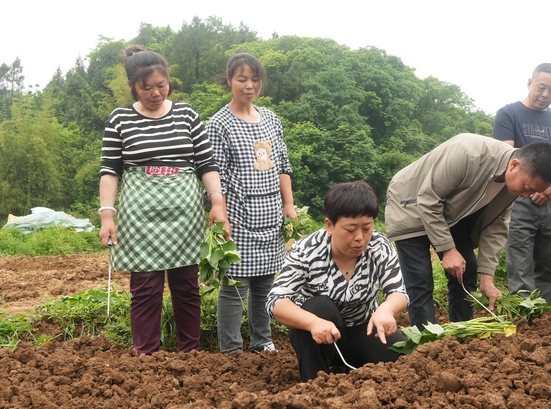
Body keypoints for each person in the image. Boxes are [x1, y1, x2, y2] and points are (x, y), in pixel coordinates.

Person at [98, 45, 230, 355]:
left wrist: (217, 203)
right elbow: (109, 171)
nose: (156, 93)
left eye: (162, 85)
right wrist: (107, 215)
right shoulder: (120, 119)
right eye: (147, 88)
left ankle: (191, 352)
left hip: (185, 211)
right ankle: (147, 355)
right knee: (145, 287)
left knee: (187, 286)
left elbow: (207, 164)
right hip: (139, 212)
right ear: (132, 86)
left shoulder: (187, 114)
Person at [386, 134, 551, 328]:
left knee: (467, 268)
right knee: (420, 282)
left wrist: (487, 278)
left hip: (448, 212)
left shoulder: (513, 186)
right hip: (409, 203)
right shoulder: (468, 153)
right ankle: (428, 344)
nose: (528, 196)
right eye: (528, 187)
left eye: (533, 192)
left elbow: (496, 226)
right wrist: (448, 250)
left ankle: (461, 335)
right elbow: (428, 199)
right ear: (514, 165)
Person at [267, 181, 408, 381]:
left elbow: (398, 292)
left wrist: (386, 310)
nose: (360, 238)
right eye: (350, 230)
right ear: (330, 225)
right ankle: (315, 385)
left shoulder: (379, 246)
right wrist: (313, 322)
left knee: (404, 365)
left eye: (367, 228)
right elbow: (276, 301)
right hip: (320, 334)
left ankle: (352, 365)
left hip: (364, 328)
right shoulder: (308, 250)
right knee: (319, 306)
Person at [207, 52, 297, 354]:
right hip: (238, 213)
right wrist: (223, 216)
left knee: (265, 284)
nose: (249, 85)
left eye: (255, 79)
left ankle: (263, 341)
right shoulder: (219, 123)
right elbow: (214, 172)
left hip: (270, 212)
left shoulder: (271, 119)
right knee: (235, 285)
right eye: (242, 79)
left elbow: (283, 165)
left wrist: (289, 205)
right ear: (229, 80)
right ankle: (231, 350)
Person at [493, 63, 551, 306]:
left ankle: (546, 314)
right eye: (542, 87)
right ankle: (524, 313)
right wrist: (536, 187)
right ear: (530, 83)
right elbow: (506, 154)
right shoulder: (509, 114)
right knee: (519, 260)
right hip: (520, 199)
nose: (546, 94)